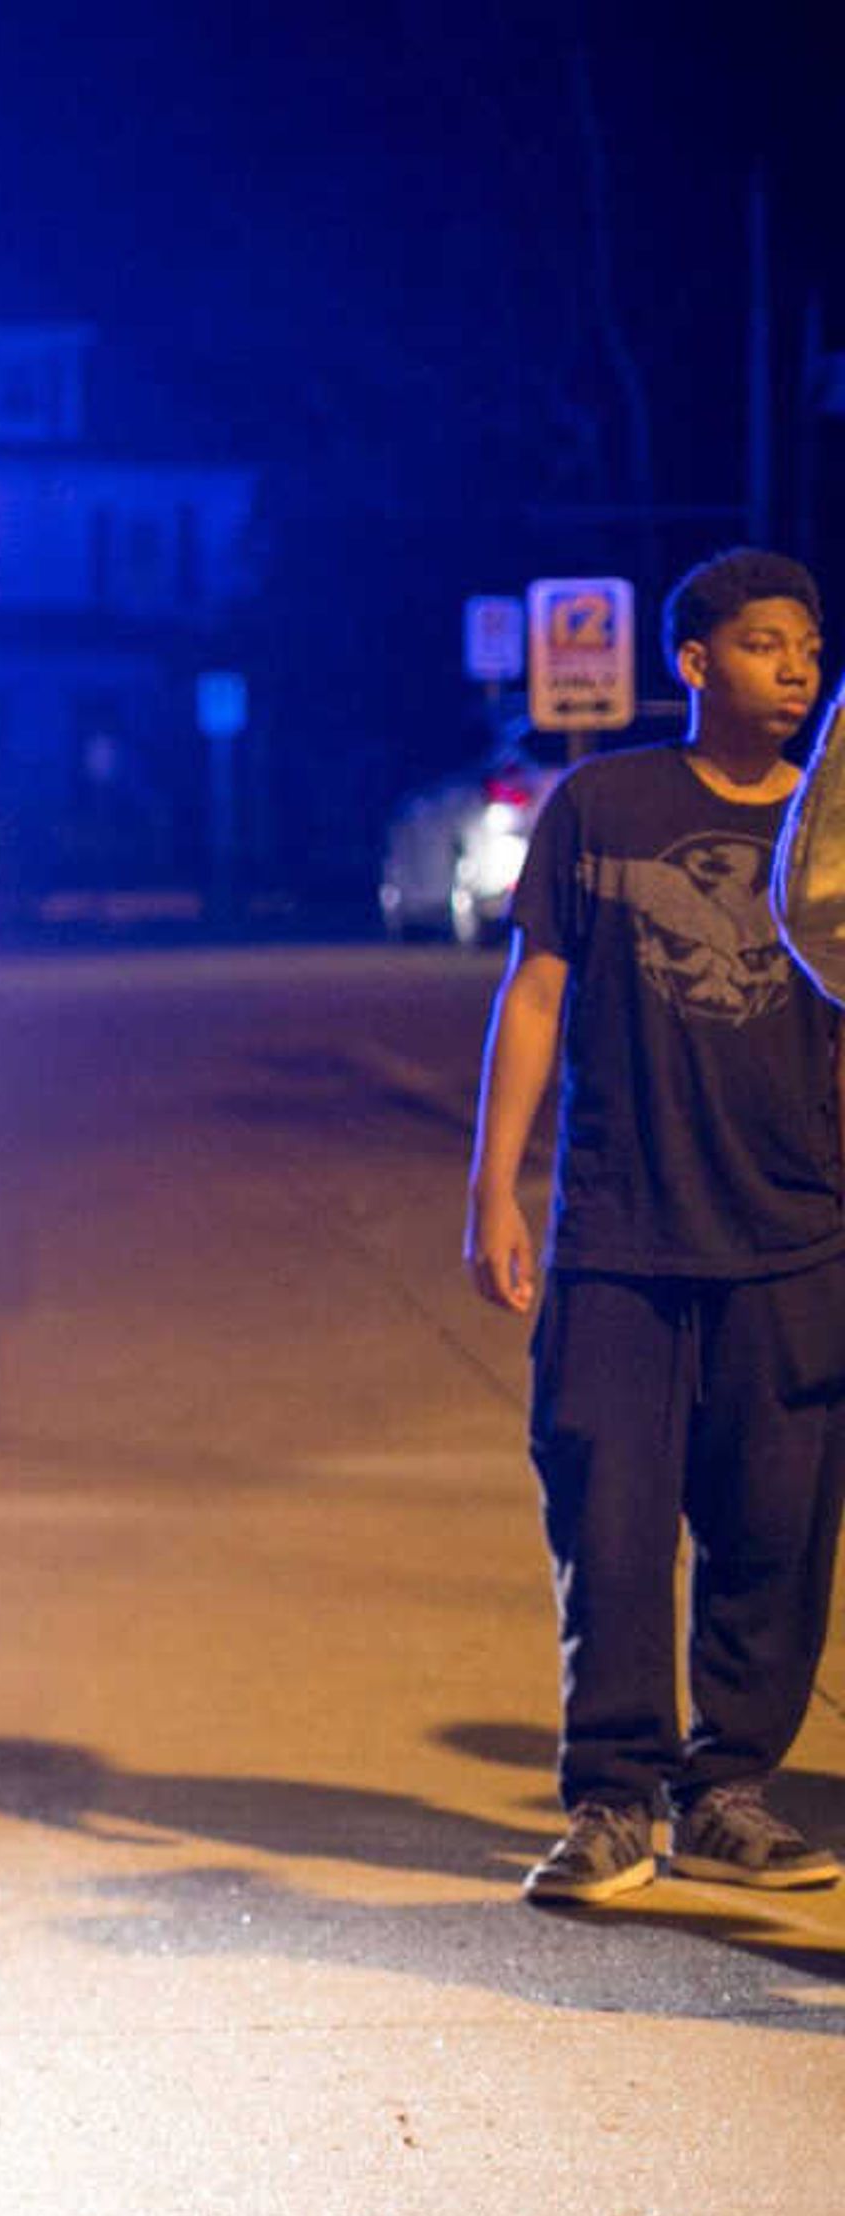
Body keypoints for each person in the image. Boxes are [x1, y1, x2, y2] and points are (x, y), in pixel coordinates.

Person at [465, 546, 842, 1908]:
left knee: (776, 1524)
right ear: (693, 662)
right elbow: (536, 994)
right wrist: (494, 1184)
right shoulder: (604, 806)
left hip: (797, 1235)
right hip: (620, 1232)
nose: (795, 667)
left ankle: (730, 1792)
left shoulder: (834, 829)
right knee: (609, 1523)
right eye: (762, 644)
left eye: (807, 645)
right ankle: (613, 1804)